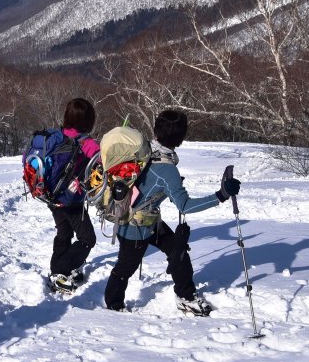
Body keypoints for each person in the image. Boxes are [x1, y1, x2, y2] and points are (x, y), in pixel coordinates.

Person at [103, 109, 241, 314]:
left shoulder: (146, 150)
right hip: (134, 225)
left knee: (178, 249)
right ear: (181, 137)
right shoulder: (167, 169)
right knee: (125, 267)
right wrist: (220, 196)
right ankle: (114, 306)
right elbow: (185, 206)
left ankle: (186, 295)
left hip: (148, 220)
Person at [48, 98, 101, 293]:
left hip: (50, 196)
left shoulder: (54, 136)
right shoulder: (86, 143)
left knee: (64, 233)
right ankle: (62, 272)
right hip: (72, 200)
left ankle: (57, 269)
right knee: (87, 239)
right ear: (89, 120)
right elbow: (105, 161)